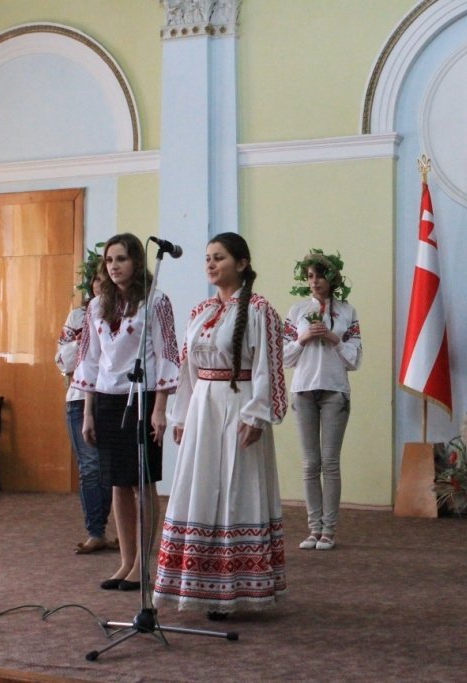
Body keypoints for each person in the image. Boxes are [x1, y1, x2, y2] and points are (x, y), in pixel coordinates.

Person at [154, 232, 288, 618]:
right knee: (200, 486)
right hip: (203, 408)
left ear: (242, 264)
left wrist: (257, 415)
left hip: (239, 405)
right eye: (208, 258)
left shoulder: (260, 310)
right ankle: (201, 584)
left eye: (220, 257)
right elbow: (187, 368)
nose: (211, 264)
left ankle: (235, 588)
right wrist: (181, 415)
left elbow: (267, 366)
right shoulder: (201, 311)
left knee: (235, 489)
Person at [72, 233, 180, 591]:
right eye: (109, 260)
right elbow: (89, 359)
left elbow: (167, 355)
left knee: (141, 482)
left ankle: (143, 564)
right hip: (106, 398)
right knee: (117, 481)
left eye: (121, 259)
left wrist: (160, 408)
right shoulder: (96, 306)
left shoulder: (156, 301)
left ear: (136, 261)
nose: (114, 266)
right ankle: (125, 561)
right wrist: (88, 412)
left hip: (143, 397)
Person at [283, 249, 362, 551]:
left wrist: (333, 338)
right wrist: (302, 339)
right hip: (303, 390)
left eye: (320, 276)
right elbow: (284, 356)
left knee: (329, 463)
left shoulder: (347, 311)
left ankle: (329, 530)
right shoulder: (297, 311)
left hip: (334, 390)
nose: (314, 281)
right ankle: (313, 529)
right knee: (309, 464)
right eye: (310, 276)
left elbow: (355, 358)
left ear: (332, 278)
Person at [55, 251, 113, 554]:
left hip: (111, 398)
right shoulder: (78, 316)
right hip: (79, 399)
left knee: (109, 469)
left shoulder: (124, 313)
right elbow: (63, 359)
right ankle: (95, 531)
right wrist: (86, 343)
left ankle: (105, 528)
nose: (99, 284)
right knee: (90, 467)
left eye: (105, 279)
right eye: (96, 279)